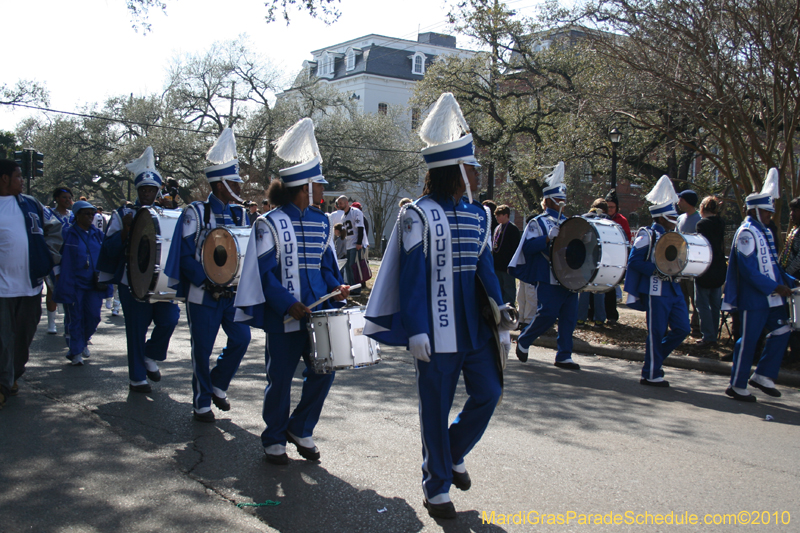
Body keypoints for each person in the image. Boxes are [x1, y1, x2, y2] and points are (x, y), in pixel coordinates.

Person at [365, 93, 513, 520]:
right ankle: (436, 486)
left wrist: (501, 308)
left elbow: (485, 268)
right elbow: (411, 279)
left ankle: (451, 451)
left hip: (477, 328)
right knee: (435, 405)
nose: (476, 175)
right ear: (454, 170)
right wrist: (416, 329)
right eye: (471, 167)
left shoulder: (481, 216)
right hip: (435, 326)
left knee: (490, 392)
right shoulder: (417, 215)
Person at [235, 117, 349, 464]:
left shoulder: (320, 221)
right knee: (279, 379)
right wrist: (288, 303)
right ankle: (273, 436)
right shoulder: (267, 223)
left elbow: (325, 265)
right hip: (285, 316)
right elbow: (263, 276)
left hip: (319, 314)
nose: (324, 191)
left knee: (323, 374)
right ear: (304, 188)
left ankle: (300, 426)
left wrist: (336, 287)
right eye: (319, 186)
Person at [165, 128, 251, 422]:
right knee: (201, 348)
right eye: (234, 183)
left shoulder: (241, 214)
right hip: (203, 293)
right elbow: (186, 255)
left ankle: (217, 382)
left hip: (232, 295)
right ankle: (201, 401)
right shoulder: (196, 213)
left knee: (241, 339)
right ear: (220, 184)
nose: (239, 189)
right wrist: (205, 282)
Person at [97, 147, 181, 393]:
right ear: (137, 190)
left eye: (151, 190)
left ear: (157, 191)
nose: (146, 193)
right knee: (136, 329)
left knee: (169, 319)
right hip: (130, 281)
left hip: (161, 281)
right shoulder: (122, 213)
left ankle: (150, 354)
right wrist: (124, 230)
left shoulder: (166, 212)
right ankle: (137, 378)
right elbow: (109, 249)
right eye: (143, 189)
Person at [722, 169, 792, 401]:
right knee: (749, 340)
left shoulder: (763, 231)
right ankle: (737, 385)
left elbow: (772, 266)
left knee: (782, 330)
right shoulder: (746, 233)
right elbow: (749, 271)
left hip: (771, 296)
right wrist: (775, 287)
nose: (771, 217)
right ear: (756, 210)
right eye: (767, 213)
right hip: (755, 298)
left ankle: (763, 375)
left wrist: (789, 283)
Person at [0, 159, 63, 407]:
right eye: (18, 176)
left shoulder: (31, 203)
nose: (22, 180)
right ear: (4, 178)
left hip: (30, 285)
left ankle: (12, 374)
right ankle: (4, 385)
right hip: (2, 290)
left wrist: (47, 257)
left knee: (23, 337)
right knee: (3, 338)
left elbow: (54, 229)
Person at [509, 162, 581, 370]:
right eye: (558, 199)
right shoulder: (537, 222)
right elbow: (528, 247)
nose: (562, 203)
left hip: (569, 276)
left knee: (570, 316)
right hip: (548, 275)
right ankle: (524, 339)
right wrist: (547, 239)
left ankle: (564, 354)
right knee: (548, 314)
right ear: (548, 200)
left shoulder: (569, 222)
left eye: (563, 200)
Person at [624, 175, 690, 387]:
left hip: (673, 289)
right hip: (655, 289)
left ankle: (652, 361)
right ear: (661, 218)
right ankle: (652, 373)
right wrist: (658, 269)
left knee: (683, 329)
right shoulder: (647, 235)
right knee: (657, 332)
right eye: (670, 218)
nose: (674, 221)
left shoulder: (675, 234)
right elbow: (634, 261)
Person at [54, 200, 112, 366]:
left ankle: (83, 341)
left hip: (94, 285)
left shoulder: (98, 234)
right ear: (77, 215)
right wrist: (58, 277)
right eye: (86, 214)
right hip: (74, 284)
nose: (90, 217)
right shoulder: (67, 233)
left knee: (94, 317)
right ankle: (76, 351)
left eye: (92, 214)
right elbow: (56, 256)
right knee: (76, 318)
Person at [694, 196, 726, 348]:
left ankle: (708, 335)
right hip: (719, 266)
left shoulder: (702, 224)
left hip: (706, 267)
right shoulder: (721, 223)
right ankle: (713, 333)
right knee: (715, 303)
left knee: (702, 303)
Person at [43, 187, 74, 334]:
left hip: (70, 257)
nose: (67, 200)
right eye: (64, 198)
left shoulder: (73, 216)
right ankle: (51, 322)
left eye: (69, 198)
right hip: (54, 256)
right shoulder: (49, 215)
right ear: (56, 199)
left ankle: (69, 322)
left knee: (70, 289)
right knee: (52, 288)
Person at [577, 199, 610, 326]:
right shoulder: (606, 219)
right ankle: (599, 319)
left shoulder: (584, 218)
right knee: (599, 289)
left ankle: (580, 318)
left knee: (584, 288)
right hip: (601, 256)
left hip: (585, 256)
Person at [677, 189, 702, 336]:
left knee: (695, 297)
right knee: (681, 296)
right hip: (680, 265)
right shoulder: (680, 219)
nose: (679, 203)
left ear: (688, 201)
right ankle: (682, 324)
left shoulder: (699, 219)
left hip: (694, 265)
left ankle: (697, 327)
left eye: (681, 200)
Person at [604, 189, 630, 324]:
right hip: (602, 257)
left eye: (612, 207)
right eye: (607, 206)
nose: (609, 209)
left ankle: (611, 315)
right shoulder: (601, 218)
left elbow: (626, 240)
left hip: (615, 258)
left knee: (611, 288)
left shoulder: (622, 220)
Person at [779, 197, 800, 364]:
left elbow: (799, 258)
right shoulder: (794, 229)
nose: (792, 214)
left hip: (795, 281)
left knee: (797, 319)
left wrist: (786, 274)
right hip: (788, 278)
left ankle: (796, 354)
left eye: (795, 210)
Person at [492, 204, 521, 306]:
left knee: (508, 288)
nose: (497, 217)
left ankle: (509, 308)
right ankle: (500, 307)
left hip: (507, 265)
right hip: (497, 265)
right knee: (499, 288)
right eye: (496, 216)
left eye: (499, 215)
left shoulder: (513, 229)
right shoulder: (497, 228)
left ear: (506, 215)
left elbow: (515, 248)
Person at [342, 197, 368, 294]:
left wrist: (359, 242)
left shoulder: (356, 212)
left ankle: (356, 289)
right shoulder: (343, 216)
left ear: (346, 203)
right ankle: (351, 288)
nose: (339, 205)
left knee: (355, 267)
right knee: (348, 267)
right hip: (348, 244)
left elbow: (360, 228)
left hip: (356, 244)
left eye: (341, 203)